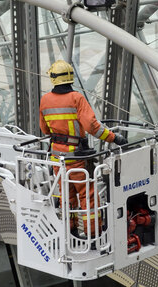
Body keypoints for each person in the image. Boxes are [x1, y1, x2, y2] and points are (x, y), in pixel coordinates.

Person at [39, 60, 127, 238]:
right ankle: (92, 235)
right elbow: (92, 127)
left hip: (57, 159)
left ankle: (70, 230)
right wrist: (114, 138)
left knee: (66, 196)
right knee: (88, 197)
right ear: (70, 77)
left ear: (53, 78)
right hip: (76, 158)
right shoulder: (76, 98)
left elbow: (44, 129)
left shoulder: (45, 100)